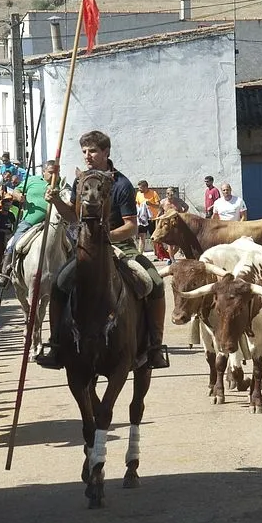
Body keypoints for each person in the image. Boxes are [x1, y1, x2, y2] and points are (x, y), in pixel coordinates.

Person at [35, 130, 170, 370]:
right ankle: (55, 345)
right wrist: (55, 201)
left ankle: (155, 346)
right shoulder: (81, 181)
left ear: (106, 152)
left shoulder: (122, 184)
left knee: (155, 282)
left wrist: (106, 237)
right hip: (86, 249)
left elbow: (131, 226)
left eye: (93, 151)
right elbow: (73, 216)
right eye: (84, 151)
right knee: (58, 283)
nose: (87, 156)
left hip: (120, 247)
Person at [0, 160, 56, 277]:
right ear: (44, 172)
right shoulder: (32, 180)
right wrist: (18, 196)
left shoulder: (61, 183)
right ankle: (6, 273)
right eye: (51, 172)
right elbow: (16, 190)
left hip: (54, 223)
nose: (54, 176)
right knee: (14, 243)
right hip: (30, 222)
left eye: (57, 173)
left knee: (72, 244)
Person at [135, 180, 160, 255]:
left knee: (154, 237)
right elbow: (137, 204)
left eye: (140, 188)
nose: (139, 189)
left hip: (152, 219)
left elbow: (158, 206)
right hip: (142, 219)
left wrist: (150, 204)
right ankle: (140, 254)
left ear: (145, 187)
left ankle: (157, 254)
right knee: (142, 236)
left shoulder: (154, 193)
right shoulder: (138, 194)